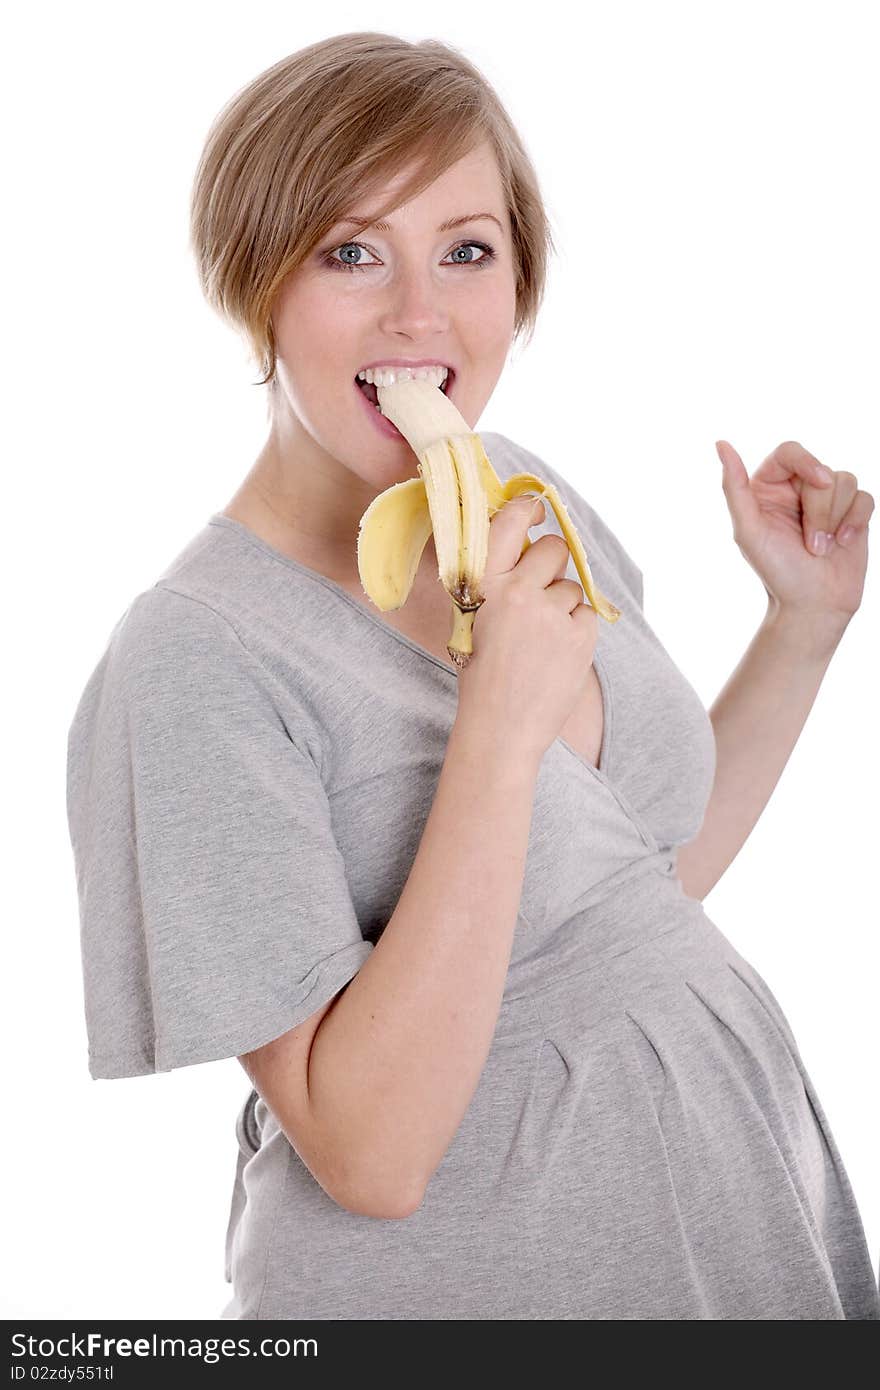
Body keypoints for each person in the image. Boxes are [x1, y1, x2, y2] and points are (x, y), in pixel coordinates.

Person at [65, 32, 879, 1321]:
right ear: (249, 284)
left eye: (467, 249)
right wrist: (497, 724)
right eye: (350, 253)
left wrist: (804, 626)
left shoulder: (518, 494)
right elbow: (370, 1153)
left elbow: (630, 886)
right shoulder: (195, 658)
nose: (420, 316)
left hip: (728, 1227)